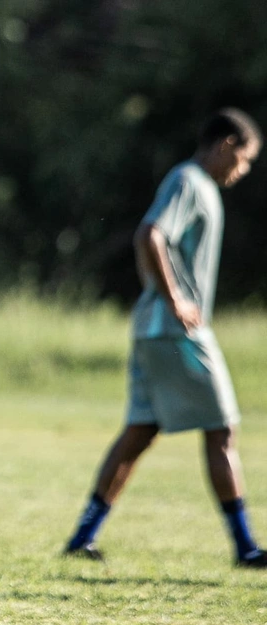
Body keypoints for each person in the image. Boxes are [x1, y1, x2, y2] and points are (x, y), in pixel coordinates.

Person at [63, 108, 264, 567]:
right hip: (176, 331)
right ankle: (246, 547)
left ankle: (82, 538)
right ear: (227, 145)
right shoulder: (189, 180)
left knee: (140, 431)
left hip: (153, 330)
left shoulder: (200, 185)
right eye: (246, 159)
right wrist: (175, 299)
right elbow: (150, 234)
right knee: (222, 429)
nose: (245, 170)